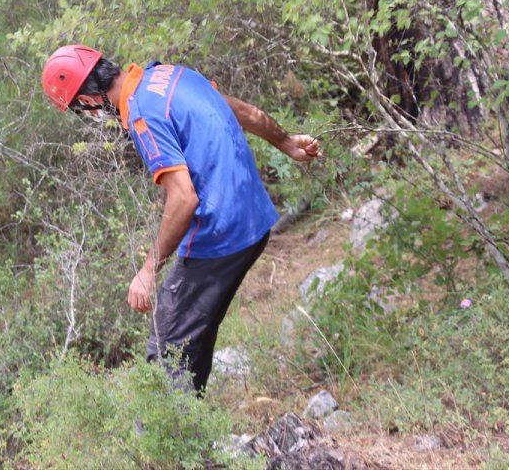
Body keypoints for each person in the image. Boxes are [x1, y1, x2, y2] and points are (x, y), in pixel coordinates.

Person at [42, 44, 320, 394]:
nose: (88, 116)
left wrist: (148, 270)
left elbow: (184, 198)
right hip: (254, 218)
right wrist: (288, 143)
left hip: (221, 232)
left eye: (79, 110)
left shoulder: (141, 115)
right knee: (190, 336)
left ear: (90, 100)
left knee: (167, 344)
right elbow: (240, 110)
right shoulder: (170, 75)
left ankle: (167, 445)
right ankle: (193, 429)